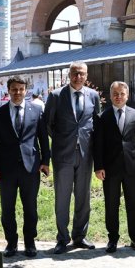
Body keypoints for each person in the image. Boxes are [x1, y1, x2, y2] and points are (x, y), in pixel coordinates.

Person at [0, 75, 50, 258]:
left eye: (21, 89)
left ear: (26, 91)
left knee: (30, 207)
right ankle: (11, 243)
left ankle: (30, 243)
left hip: (30, 168)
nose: (17, 93)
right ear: (9, 90)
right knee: (8, 208)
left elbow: (43, 139)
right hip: (6, 169)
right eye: (14, 89)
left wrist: (46, 161)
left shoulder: (36, 111)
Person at [44, 61, 101, 254]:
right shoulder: (56, 96)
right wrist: (63, 141)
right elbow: (48, 125)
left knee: (83, 198)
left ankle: (80, 236)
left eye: (82, 74)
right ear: (69, 75)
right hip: (63, 155)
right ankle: (62, 238)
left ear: (86, 75)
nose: (78, 77)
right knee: (62, 198)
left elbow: (96, 123)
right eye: (75, 74)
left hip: (86, 155)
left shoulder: (93, 96)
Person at [93, 81, 135, 254]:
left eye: (122, 94)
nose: (118, 97)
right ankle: (112, 239)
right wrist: (99, 166)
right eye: (115, 94)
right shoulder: (103, 117)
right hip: (110, 169)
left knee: (133, 203)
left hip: (132, 168)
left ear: (127, 95)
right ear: (110, 96)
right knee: (111, 204)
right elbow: (98, 144)